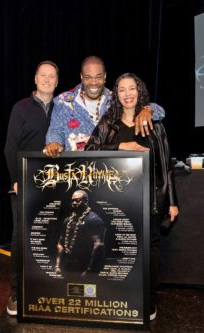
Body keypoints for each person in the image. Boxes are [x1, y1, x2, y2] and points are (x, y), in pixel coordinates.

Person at [85, 72, 179, 321]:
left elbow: (166, 164)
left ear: (140, 92)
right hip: (116, 201)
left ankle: (149, 299)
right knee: (119, 246)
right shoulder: (109, 122)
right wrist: (120, 146)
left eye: (132, 89)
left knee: (150, 247)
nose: (127, 94)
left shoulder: (154, 124)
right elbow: (90, 149)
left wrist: (172, 201)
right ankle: (122, 295)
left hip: (149, 198)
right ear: (116, 95)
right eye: (122, 90)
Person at [3, 60, 59, 316]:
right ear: (35, 79)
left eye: (52, 76)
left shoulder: (63, 108)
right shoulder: (21, 108)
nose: (47, 80)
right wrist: (16, 177)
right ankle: (16, 293)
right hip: (25, 181)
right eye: (43, 75)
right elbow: (10, 147)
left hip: (57, 183)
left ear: (57, 82)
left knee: (51, 235)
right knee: (21, 237)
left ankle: (46, 285)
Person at [43, 55, 165, 157]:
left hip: (109, 171)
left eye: (98, 77)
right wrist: (54, 143)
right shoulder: (63, 102)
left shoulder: (115, 98)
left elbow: (159, 111)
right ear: (81, 77)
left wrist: (149, 109)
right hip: (76, 171)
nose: (94, 82)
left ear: (105, 76)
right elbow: (55, 131)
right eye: (88, 77)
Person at [55, 190, 106, 277]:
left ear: (86, 201)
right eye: (73, 200)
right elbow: (60, 243)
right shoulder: (67, 220)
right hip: (68, 267)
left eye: (78, 200)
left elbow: (98, 245)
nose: (74, 203)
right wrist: (57, 265)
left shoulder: (94, 220)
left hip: (85, 268)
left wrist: (89, 270)